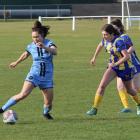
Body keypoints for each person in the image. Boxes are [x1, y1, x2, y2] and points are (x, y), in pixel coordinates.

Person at [0, 20, 57, 120]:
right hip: (34, 75)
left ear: (42, 35)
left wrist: (44, 47)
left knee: (48, 103)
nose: (35, 39)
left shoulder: (49, 43)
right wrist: (16, 62)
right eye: (33, 37)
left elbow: (54, 51)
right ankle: (2, 109)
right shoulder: (31, 46)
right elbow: (25, 54)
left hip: (47, 77)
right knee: (23, 94)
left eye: (37, 37)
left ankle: (45, 113)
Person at [86, 24, 140, 116]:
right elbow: (100, 45)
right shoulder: (106, 41)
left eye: (106, 34)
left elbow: (126, 56)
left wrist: (115, 63)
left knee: (130, 90)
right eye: (103, 34)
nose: (104, 37)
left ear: (112, 34)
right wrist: (94, 58)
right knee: (102, 86)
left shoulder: (118, 41)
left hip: (125, 68)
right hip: (113, 68)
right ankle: (94, 108)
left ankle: (138, 104)